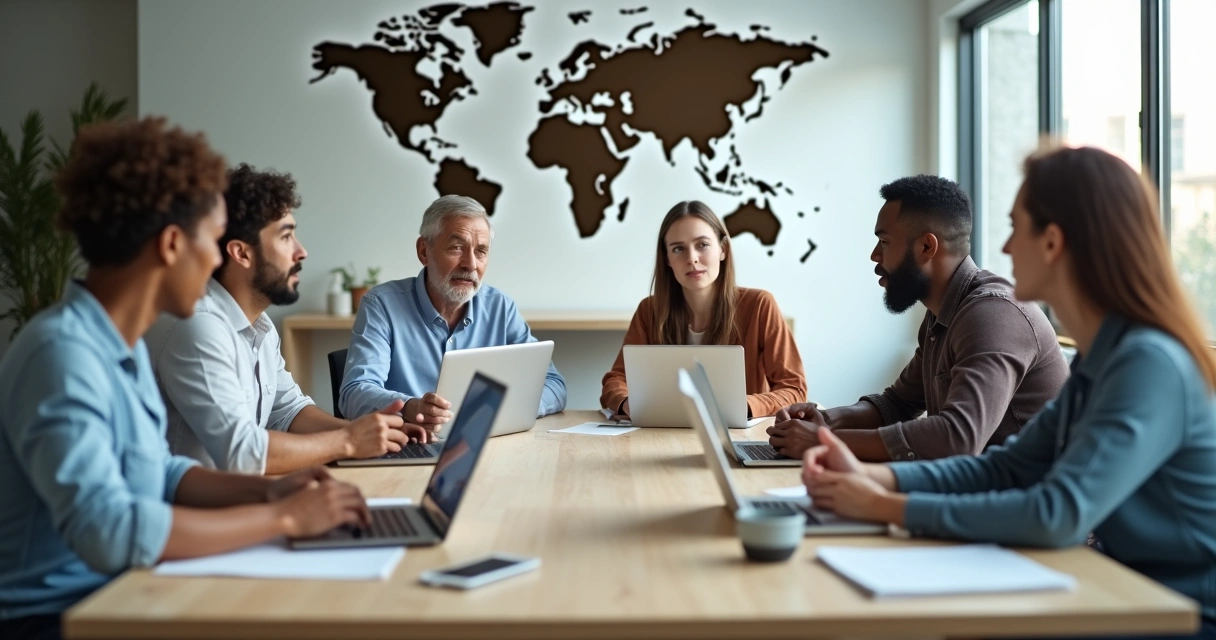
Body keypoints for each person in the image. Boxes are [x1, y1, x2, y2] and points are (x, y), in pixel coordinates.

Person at [803, 146, 1216, 637]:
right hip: (1120, 590)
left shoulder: (1148, 363)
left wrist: (883, 505)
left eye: (1015, 227)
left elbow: (1056, 513)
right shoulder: (1099, 358)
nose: (1003, 248)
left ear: (1052, 242)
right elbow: (1009, 466)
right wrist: (880, 482)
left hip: (1174, 612)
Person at [0, 118, 371, 640]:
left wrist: (270, 494)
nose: (219, 260)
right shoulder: (62, 354)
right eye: (213, 240)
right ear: (173, 245)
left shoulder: (115, 346)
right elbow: (108, 531)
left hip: (123, 593)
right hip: (59, 617)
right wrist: (284, 520)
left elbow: (161, 474)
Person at [145, 164, 429, 474]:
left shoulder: (261, 328)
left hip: (238, 501)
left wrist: (375, 434)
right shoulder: (198, 327)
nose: (302, 251)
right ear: (241, 254)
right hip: (189, 513)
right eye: (286, 237)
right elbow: (241, 453)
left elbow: (289, 412)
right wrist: (348, 440)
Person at [769, 176, 1068, 462]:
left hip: (1019, 504)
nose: (874, 255)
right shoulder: (942, 316)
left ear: (927, 247)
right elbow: (898, 403)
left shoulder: (992, 315)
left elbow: (958, 437)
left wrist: (823, 441)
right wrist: (828, 420)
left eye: (884, 242)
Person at [339, 195, 566, 429]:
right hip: (407, 448)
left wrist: (506, 408)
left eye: (481, 251)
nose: (470, 264)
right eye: (457, 247)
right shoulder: (382, 305)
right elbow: (354, 393)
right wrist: (409, 408)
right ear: (424, 251)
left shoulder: (500, 307)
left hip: (483, 445)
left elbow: (553, 384)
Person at [601, 200, 806, 419]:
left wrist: (742, 405)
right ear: (667, 259)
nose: (692, 258)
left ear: (723, 249)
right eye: (678, 249)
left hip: (736, 436)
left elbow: (795, 390)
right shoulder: (649, 310)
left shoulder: (760, 305)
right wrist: (628, 403)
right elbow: (616, 380)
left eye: (702, 245)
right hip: (663, 432)